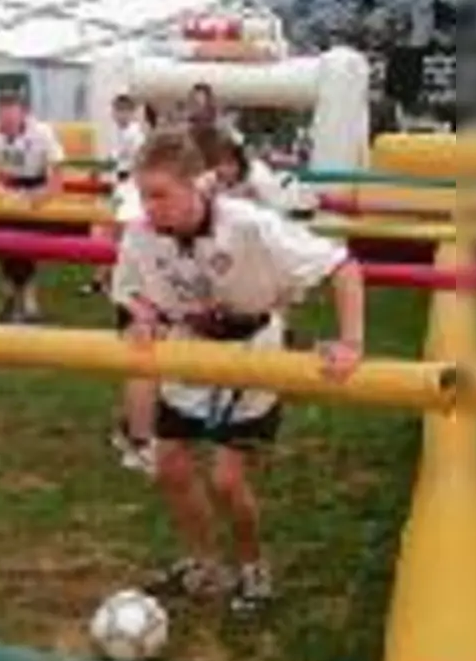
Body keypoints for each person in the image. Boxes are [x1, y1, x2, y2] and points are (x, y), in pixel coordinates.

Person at [112, 129, 365, 614]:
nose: (149, 207)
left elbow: (343, 266)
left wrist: (351, 343)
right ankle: (203, 565)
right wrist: (145, 316)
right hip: (189, 352)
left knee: (228, 481)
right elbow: (131, 289)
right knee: (170, 467)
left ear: (197, 186)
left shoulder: (250, 225)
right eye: (144, 195)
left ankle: (253, 569)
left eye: (160, 195)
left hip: (251, 353)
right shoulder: (141, 233)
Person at [0, 91, 65, 323]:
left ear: (23, 115)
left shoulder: (42, 133)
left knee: (26, 244)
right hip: (6, 188)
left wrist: (45, 194)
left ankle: (26, 298)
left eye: (10, 118)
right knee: (3, 244)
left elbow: (57, 174)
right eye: (2, 118)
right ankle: (12, 296)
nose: (5, 124)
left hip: (33, 187)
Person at [82, 93, 148, 299]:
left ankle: (105, 281)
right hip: (123, 186)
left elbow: (135, 164)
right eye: (117, 111)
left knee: (115, 235)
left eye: (123, 111)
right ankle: (104, 281)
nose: (119, 115)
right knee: (114, 234)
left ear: (131, 112)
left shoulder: (133, 135)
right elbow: (113, 159)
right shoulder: (124, 133)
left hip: (129, 187)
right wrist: (97, 171)